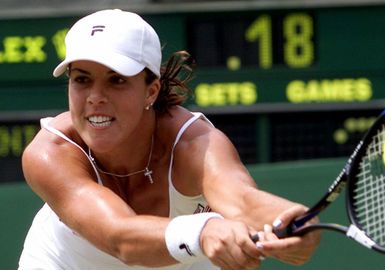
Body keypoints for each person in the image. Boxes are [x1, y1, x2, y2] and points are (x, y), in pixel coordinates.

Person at [18, 9, 320, 270]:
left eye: (117, 80)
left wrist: (292, 224)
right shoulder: (50, 152)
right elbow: (118, 236)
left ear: (151, 90)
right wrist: (203, 231)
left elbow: (240, 200)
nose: (95, 98)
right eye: (82, 79)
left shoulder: (195, 144)